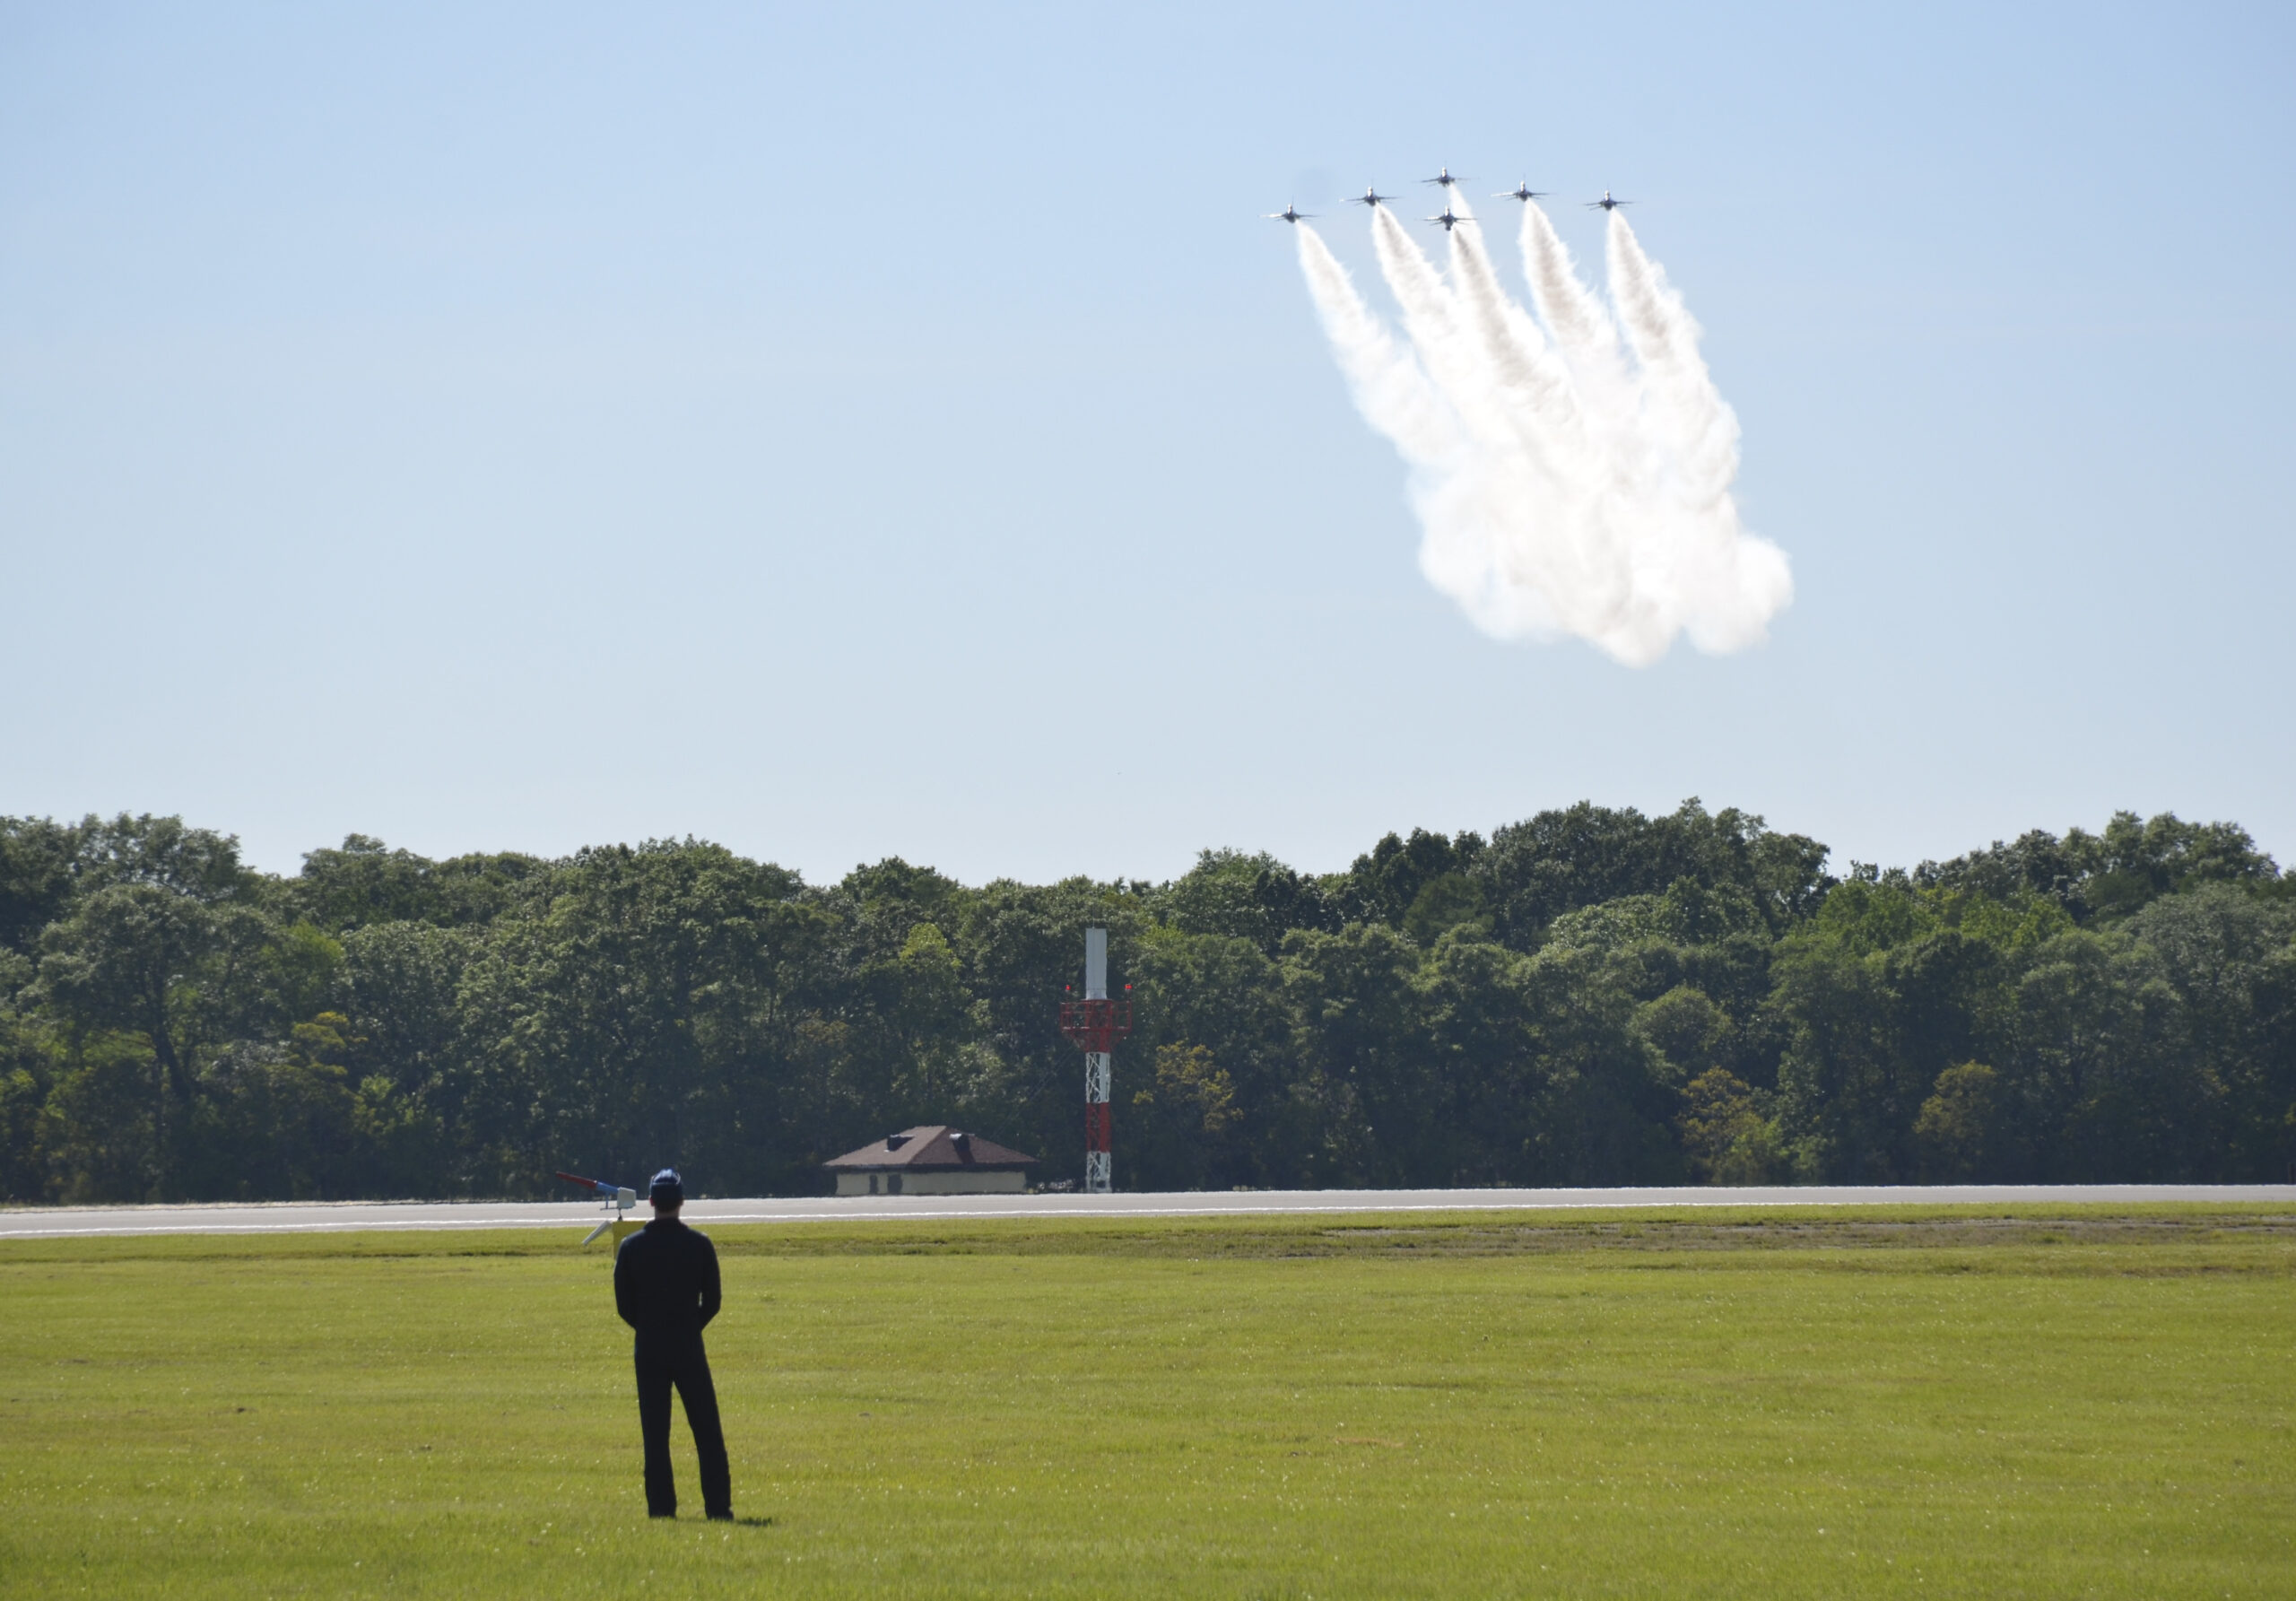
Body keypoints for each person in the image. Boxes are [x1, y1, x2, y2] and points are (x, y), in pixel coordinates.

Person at [613, 1167, 733, 1519]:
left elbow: (624, 1305)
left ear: (650, 1202)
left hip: (648, 1347)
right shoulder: (699, 1245)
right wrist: (689, 1327)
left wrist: (649, 1327)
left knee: (655, 1432)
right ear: (682, 1201)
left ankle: (662, 1509)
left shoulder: (631, 1248)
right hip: (688, 1345)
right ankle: (718, 1507)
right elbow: (712, 1301)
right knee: (707, 1429)